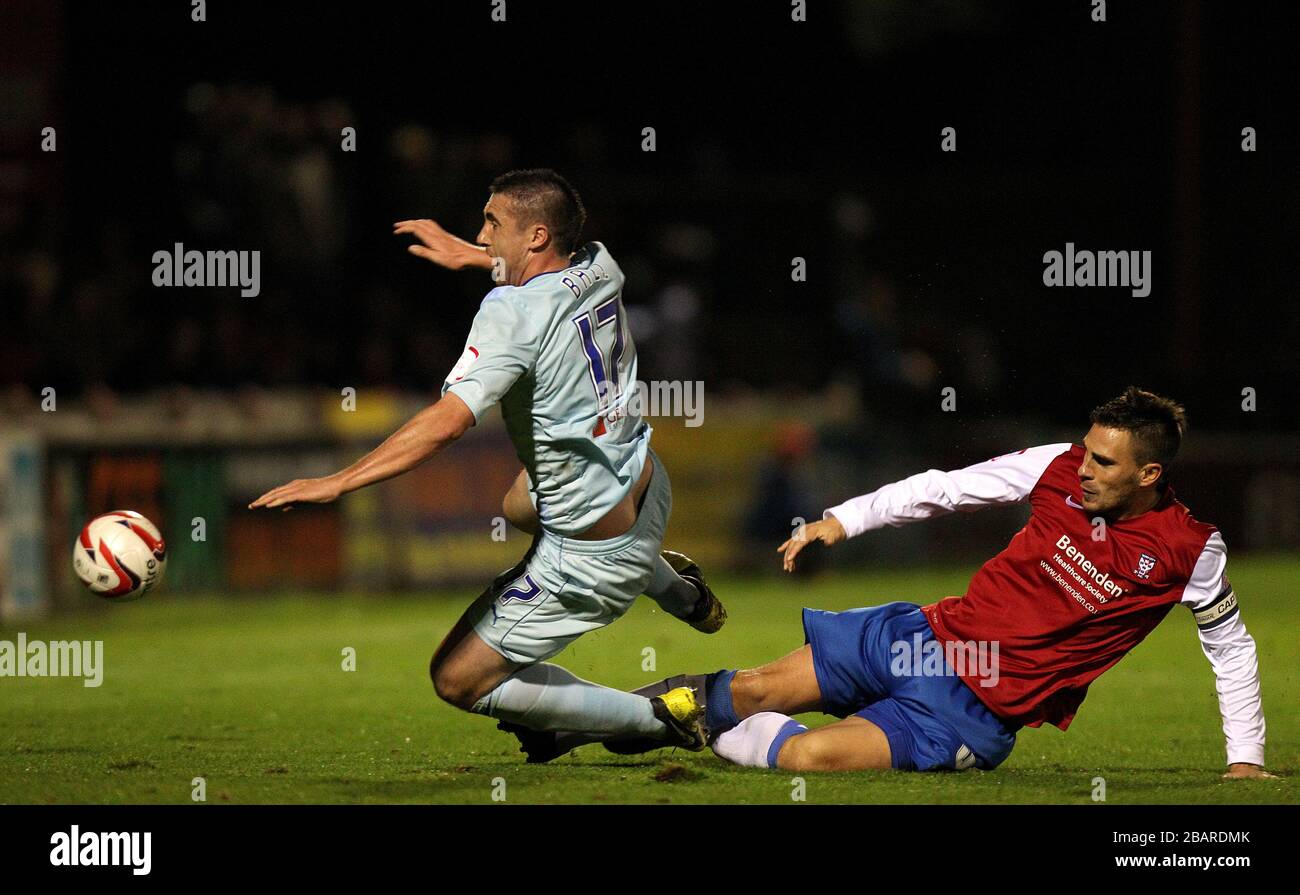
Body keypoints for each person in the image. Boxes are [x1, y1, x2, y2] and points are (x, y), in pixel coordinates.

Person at [524, 388, 1273, 779]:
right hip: (921, 637)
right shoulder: (1055, 465)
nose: (1085, 468)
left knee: (806, 759)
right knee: (745, 687)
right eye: (1086, 452)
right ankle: (581, 720)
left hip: (973, 712)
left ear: (1150, 474)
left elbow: (1231, 649)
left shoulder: (1188, 549)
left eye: (1105, 464)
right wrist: (838, 522)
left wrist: (1244, 757)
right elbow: (943, 488)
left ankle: (685, 723)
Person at [251, 168, 724, 752]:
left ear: (536, 236)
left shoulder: (509, 313)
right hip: (647, 486)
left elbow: (446, 421)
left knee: (455, 678)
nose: (480, 235)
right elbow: (547, 282)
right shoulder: (600, 265)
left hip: (593, 557)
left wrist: (340, 481)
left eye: (492, 223)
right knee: (518, 505)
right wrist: (476, 257)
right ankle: (682, 594)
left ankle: (662, 716)